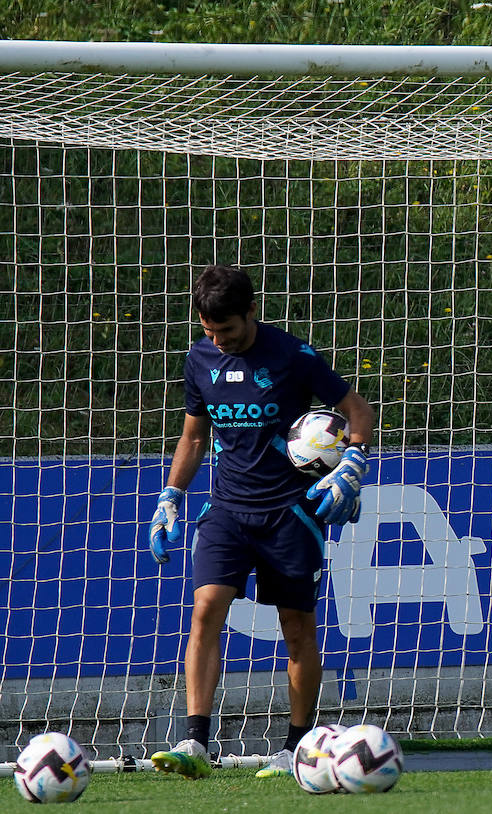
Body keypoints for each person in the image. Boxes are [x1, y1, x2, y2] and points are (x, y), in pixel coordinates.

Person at [145, 264, 376, 779]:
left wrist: (354, 462)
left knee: (296, 627)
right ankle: (195, 741)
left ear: (252, 310)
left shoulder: (292, 356)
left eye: (226, 329)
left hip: (290, 512)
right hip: (227, 509)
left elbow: (357, 410)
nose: (218, 340)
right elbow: (194, 437)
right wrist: (171, 496)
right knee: (206, 608)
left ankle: (296, 748)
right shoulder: (200, 359)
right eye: (209, 330)